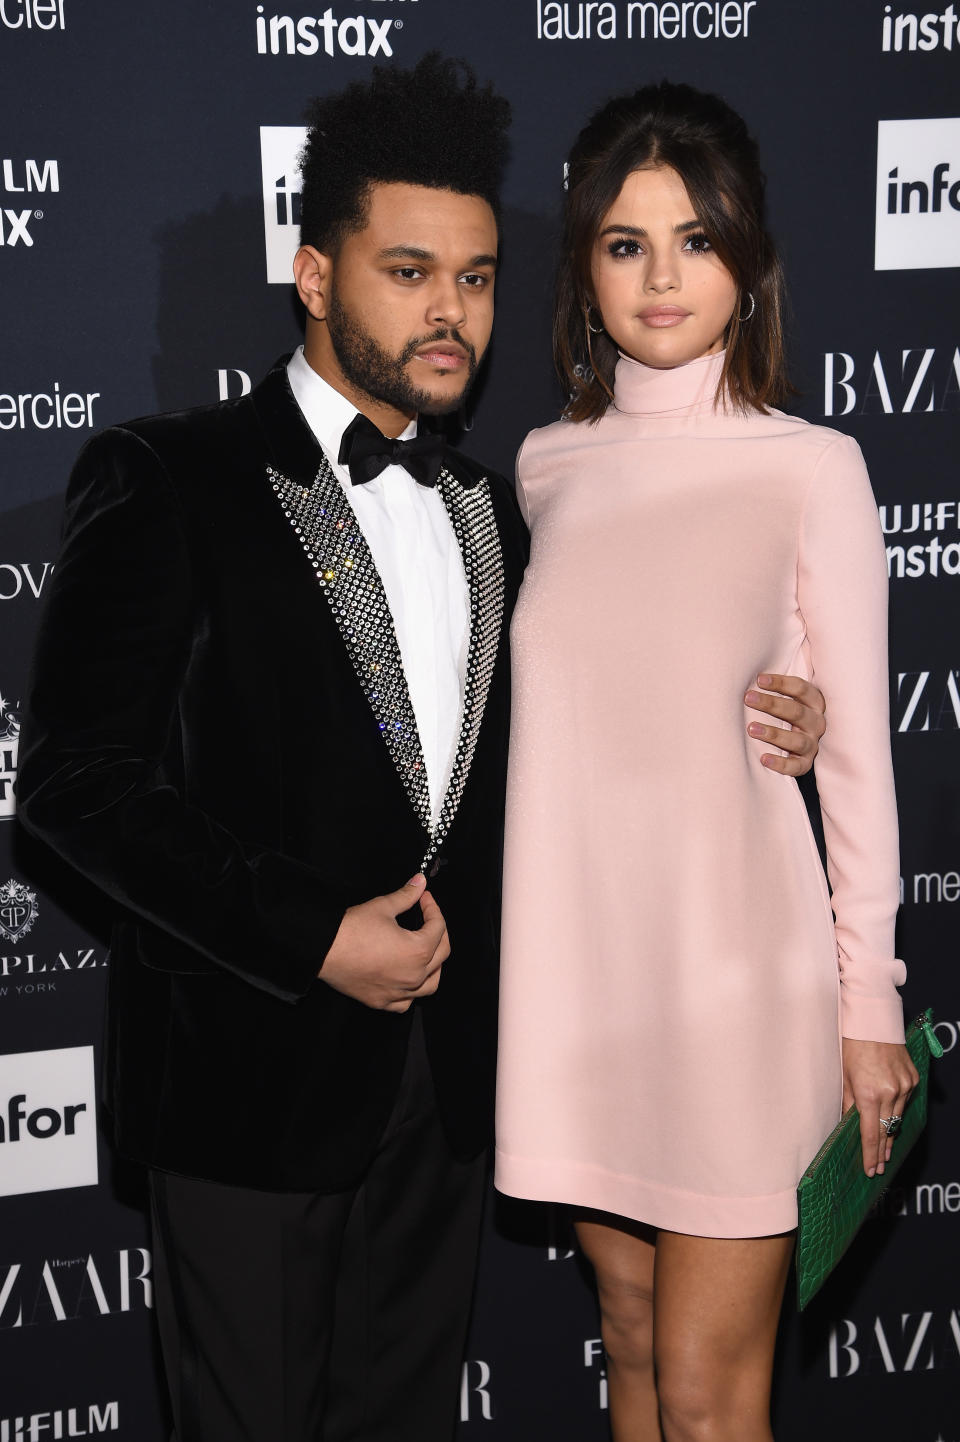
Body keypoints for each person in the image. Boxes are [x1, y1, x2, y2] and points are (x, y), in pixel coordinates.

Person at [18, 55, 826, 1442]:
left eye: (475, 275)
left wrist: (784, 698)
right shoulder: (169, 477)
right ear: (316, 274)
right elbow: (77, 787)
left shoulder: (500, 508)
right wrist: (309, 930)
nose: (449, 311)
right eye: (406, 270)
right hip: (249, 1089)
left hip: (448, 1101)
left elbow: (595, 727)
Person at [494, 81, 918, 1442]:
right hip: (583, 989)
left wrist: (871, 1005)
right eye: (625, 243)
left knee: (712, 1396)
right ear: (585, 269)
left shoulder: (812, 468)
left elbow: (853, 761)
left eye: (695, 238)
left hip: (738, 988)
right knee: (627, 1345)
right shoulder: (545, 464)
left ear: (748, 261)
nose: (662, 275)